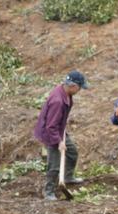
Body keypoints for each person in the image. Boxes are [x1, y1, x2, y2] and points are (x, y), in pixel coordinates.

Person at [33, 70, 88, 200]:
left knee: (72, 152)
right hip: (50, 133)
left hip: (59, 129)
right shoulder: (57, 101)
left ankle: (68, 177)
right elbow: (50, 126)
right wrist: (59, 142)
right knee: (54, 165)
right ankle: (48, 191)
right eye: (80, 88)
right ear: (73, 86)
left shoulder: (65, 92)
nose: (80, 91)